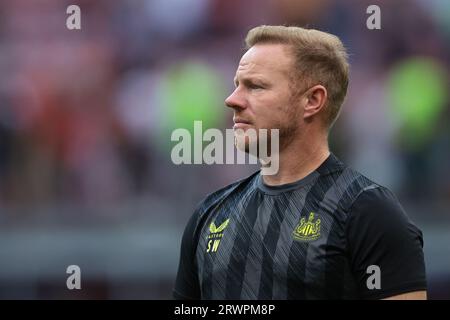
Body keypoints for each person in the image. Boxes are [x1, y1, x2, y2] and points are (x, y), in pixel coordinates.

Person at [173, 25, 427, 300]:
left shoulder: (368, 213)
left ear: (313, 100)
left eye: (255, 86)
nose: (232, 100)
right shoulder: (211, 214)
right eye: (237, 85)